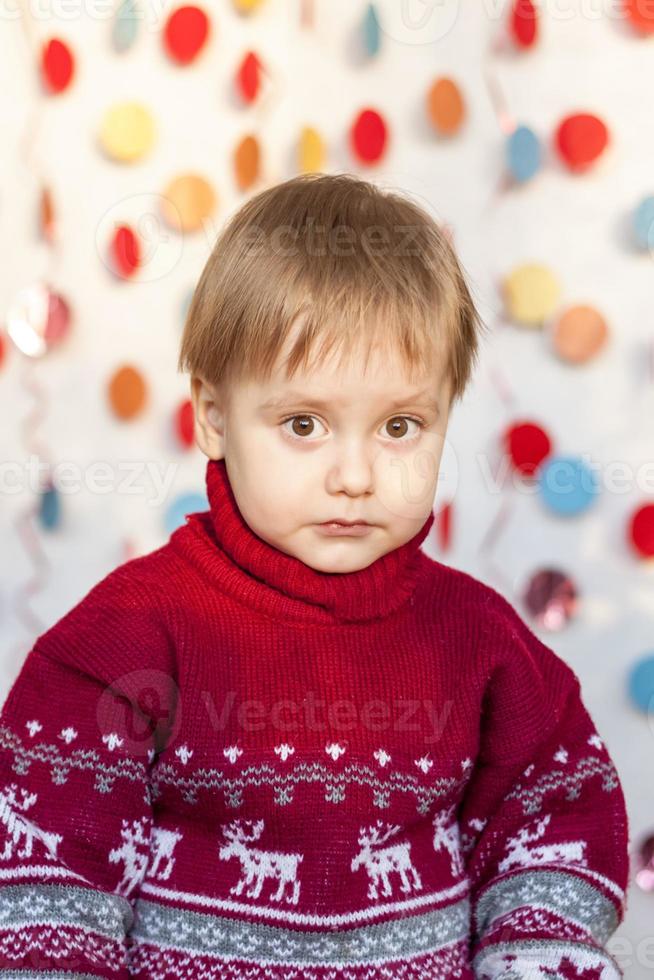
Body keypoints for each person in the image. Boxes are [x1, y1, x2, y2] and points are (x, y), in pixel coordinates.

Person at [0, 172, 629, 979]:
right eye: (304, 424)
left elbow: (549, 809)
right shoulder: (127, 635)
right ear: (214, 415)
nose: (356, 474)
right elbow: (48, 884)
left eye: (401, 425)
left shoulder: (479, 636)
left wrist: (537, 949)